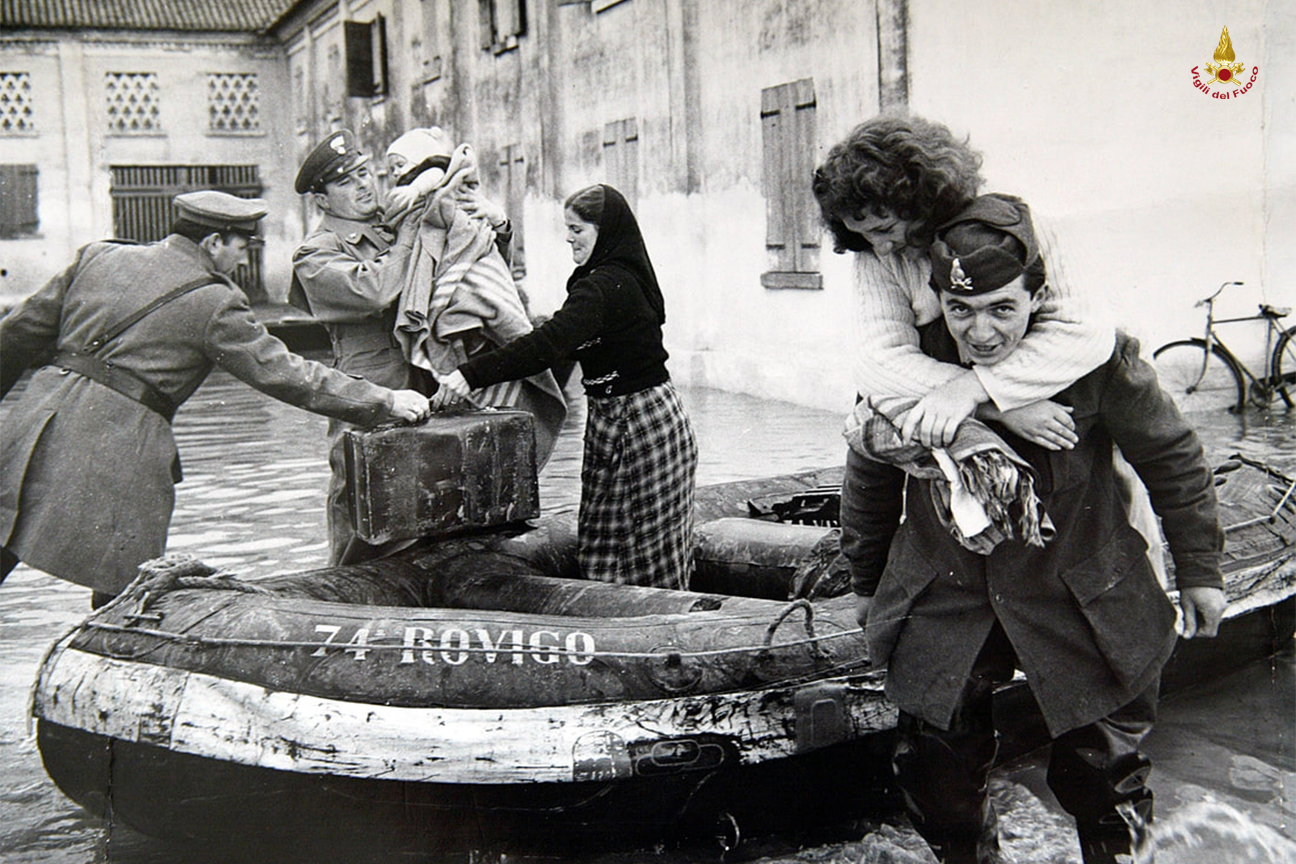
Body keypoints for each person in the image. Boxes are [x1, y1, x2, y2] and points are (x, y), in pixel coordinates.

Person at [849, 195, 1227, 864]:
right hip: (951, 591)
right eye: (961, 310)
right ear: (938, 302)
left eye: (1002, 308)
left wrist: (1201, 572)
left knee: (1104, 776)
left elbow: (1172, 458)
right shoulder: (906, 368)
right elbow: (869, 474)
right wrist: (865, 578)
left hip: (1078, 587)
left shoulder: (1096, 358)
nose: (981, 333)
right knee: (936, 777)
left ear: (1037, 297)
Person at [0, 191, 430, 608]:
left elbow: (17, 335)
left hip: (35, 417)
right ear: (212, 243)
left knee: (6, 532)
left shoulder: (99, 256)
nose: (242, 260)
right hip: (121, 440)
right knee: (125, 585)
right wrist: (384, 401)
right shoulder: (215, 302)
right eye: (240, 248)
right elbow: (286, 375)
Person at [811, 114, 1169, 587]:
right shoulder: (877, 257)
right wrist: (1000, 407)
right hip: (975, 428)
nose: (879, 247)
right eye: (862, 233)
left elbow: (1084, 334)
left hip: (1071, 415)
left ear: (922, 202)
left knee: (1120, 515)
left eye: (885, 226)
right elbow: (878, 364)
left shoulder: (1023, 228)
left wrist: (979, 389)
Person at [434, 184, 697, 590]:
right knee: (613, 534)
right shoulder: (620, 275)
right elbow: (564, 341)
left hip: (638, 424)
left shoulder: (603, 286)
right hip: (639, 416)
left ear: (603, 231)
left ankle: (651, 623)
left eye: (577, 230)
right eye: (567, 229)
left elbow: (547, 345)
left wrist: (469, 375)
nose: (569, 239)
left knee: (637, 543)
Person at [290, 128, 514, 565]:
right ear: (321, 200)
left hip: (429, 382)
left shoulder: (397, 221)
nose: (362, 186)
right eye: (345, 181)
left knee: (444, 507)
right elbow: (375, 290)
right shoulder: (315, 254)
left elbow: (466, 264)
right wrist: (414, 232)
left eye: (363, 174)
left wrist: (497, 225)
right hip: (370, 394)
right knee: (364, 514)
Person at [383, 127, 567, 466]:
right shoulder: (407, 210)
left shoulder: (437, 183)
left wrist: (496, 222)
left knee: (499, 352)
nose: (395, 173)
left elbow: (488, 246)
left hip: (471, 281)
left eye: (399, 164)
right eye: (390, 168)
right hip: (450, 312)